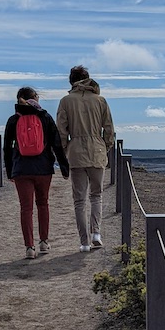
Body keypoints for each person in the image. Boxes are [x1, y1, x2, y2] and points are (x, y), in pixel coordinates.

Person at [4, 86, 69, 259]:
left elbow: (7, 149)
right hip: (43, 169)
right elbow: (57, 144)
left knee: (26, 208)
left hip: (21, 170)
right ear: (36, 98)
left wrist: (10, 171)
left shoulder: (13, 120)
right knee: (43, 204)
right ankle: (44, 242)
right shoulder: (45, 117)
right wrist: (64, 168)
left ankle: (29, 247)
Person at [56, 65, 115, 252]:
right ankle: (96, 233)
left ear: (71, 81)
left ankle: (84, 242)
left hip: (76, 154)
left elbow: (61, 132)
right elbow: (109, 129)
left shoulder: (66, 101)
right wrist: (105, 147)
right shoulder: (100, 101)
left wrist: (65, 151)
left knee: (79, 200)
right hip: (97, 151)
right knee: (96, 195)